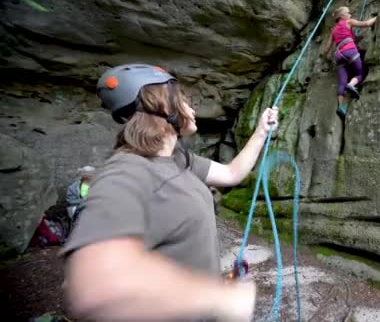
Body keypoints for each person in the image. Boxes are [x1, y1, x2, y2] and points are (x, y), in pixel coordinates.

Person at [60, 64, 279, 322]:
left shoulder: (181, 160)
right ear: (163, 106)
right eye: (185, 100)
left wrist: (262, 131)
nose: (192, 108)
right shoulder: (127, 171)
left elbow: (232, 174)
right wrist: (218, 298)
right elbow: (90, 286)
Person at [323, 6, 377, 119]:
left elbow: (327, 48)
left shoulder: (333, 30)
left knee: (342, 82)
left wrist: (326, 57)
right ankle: (351, 85)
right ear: (342, 16)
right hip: (350, 52)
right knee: (359, 74)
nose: (350, 15)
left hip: (338, 56)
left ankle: (341, 107)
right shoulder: (349, 22)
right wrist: (376, 17)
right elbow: (367, 24)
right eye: (348, 12)